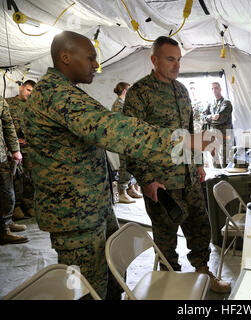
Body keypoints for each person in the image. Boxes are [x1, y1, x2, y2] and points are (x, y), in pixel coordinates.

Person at [23, 31, 209, 299]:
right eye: (90, 58)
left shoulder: (67, 92)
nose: (95, 65)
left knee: (110, 281)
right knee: (89, 289)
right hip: (74, 215)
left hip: (91, 206)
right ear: (65, 57)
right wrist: (180, 142)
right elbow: (112, 129)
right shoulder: (56, 95)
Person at [123, 36, 231, 293]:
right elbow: (130, 140)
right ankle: (168, 283)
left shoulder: (181, 90)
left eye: (179, 60)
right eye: (170, 59)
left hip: (188, 178)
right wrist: (146, 180)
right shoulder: (140, 93)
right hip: (161, 183)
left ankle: (203, 273)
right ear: (154, 59)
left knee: (200, 227)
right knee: (165, 238)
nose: (176, 65)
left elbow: (190, 131)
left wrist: (198, 164)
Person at [6, 80, 36, 219]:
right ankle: (16, 207)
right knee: (15, 179)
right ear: (21, 88)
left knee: (30, 177)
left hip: (29, 148)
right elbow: (5, 125)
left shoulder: (34, 106)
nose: (30, 94)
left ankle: (29, 205)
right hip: (12, 148)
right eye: (28, 90)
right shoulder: (8, 103)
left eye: (32, 92)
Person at [0, 98, 28, 245]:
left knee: (7, 193)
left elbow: (8, 126)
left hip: (2, 157)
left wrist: (15, 150)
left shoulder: (1, 101)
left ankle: (6, 224)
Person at [111, 82, 143, 204]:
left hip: (130, 139)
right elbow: (122, 124)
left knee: (132, 164)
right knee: (125, 166)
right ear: (124, 91)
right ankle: (122, 191)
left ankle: (131, 188)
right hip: (123, 140)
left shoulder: (124, 104)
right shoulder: (118, 105)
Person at [202, 82, 233, 167]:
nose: (214, 90)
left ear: (220, 89)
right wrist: (212, 116)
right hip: (213, 136)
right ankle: (217, 179)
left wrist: (209, 119)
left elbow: (220, 119)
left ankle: (226, 179)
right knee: (214, 159)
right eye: (212, 88)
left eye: (216, 88)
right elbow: (202, 116)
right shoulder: (211, 103)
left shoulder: (226, 103)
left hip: (223, 136)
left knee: (225, 160)